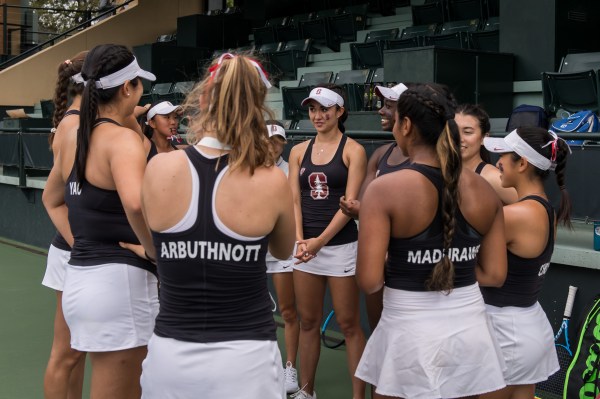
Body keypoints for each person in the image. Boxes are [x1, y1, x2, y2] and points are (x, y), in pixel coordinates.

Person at [139, 53, 296, 398]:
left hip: (170, 359)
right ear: (256, 105)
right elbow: (284, 250)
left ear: (204, 99)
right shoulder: (271, 180)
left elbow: (154, 247)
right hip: (247, 364)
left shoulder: (159, 169)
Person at [355, 83, 508, 399]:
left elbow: (369, 281)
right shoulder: (485, 190)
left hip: (407, 333)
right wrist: (447, 265)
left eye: (396, 120)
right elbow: (494, 275)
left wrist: (408, 264)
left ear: (407, 125)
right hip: (471, 333)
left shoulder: (385, 190)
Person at [42, 44, 159, 398]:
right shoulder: (120, 140)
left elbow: (52, 198)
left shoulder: (75, 133)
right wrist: (154, 251)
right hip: (117, 284)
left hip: (83, 278)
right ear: (127, 88)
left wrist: (86, 245)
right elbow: (136, 206)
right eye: (139, 83)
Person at [479, 127, 572, 399]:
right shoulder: (543, 208)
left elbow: (469, 264)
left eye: (504, 156)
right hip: (524, 327)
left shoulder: (514, 215)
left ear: (522, 163)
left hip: (506, 333)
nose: (498, 162)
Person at [288, 84, 367, 399]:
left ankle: (359, 396)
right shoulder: (297, 151)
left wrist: (319, 241)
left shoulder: (354, 150)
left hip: (341, 247)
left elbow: (350, 206)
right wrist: (300, 239)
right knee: (308, 322)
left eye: (324, 109)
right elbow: (294, 200)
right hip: (306, 249)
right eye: (312, 109)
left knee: (349, 325)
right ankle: (307, 391)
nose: (317, 115)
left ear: (339, 111)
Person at [340, 83, 409, 334]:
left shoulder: (426, 159)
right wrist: (355, 207)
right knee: (379, 333)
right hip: (376, 258)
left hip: (407, 265)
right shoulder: (380, 153)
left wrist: (369, 210)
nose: (381, 111)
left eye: (389, 106)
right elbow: (362, 203)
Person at [42, 51, 87, 399]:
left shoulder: (75, 119)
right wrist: (81, 243)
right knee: (66, 353)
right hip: (73, 251)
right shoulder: (74, 125)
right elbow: (55, 198)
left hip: (77, 250)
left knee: (78, 350)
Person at [265, 120, 300, 394]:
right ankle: (268, 367)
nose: (271, 145)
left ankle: (290, 368)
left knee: (288, 311)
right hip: (251, 252)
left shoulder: (290, 172)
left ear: (283, 143)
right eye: (266, 140)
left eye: (276, 141)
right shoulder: (245, 170)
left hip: (282, 251)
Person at [455, 103, 517, 205]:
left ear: (484, 138)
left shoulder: (492, 177)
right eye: (454, 131)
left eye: (467, 132)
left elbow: (534, 212)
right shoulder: (444, 171)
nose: (459, 138)